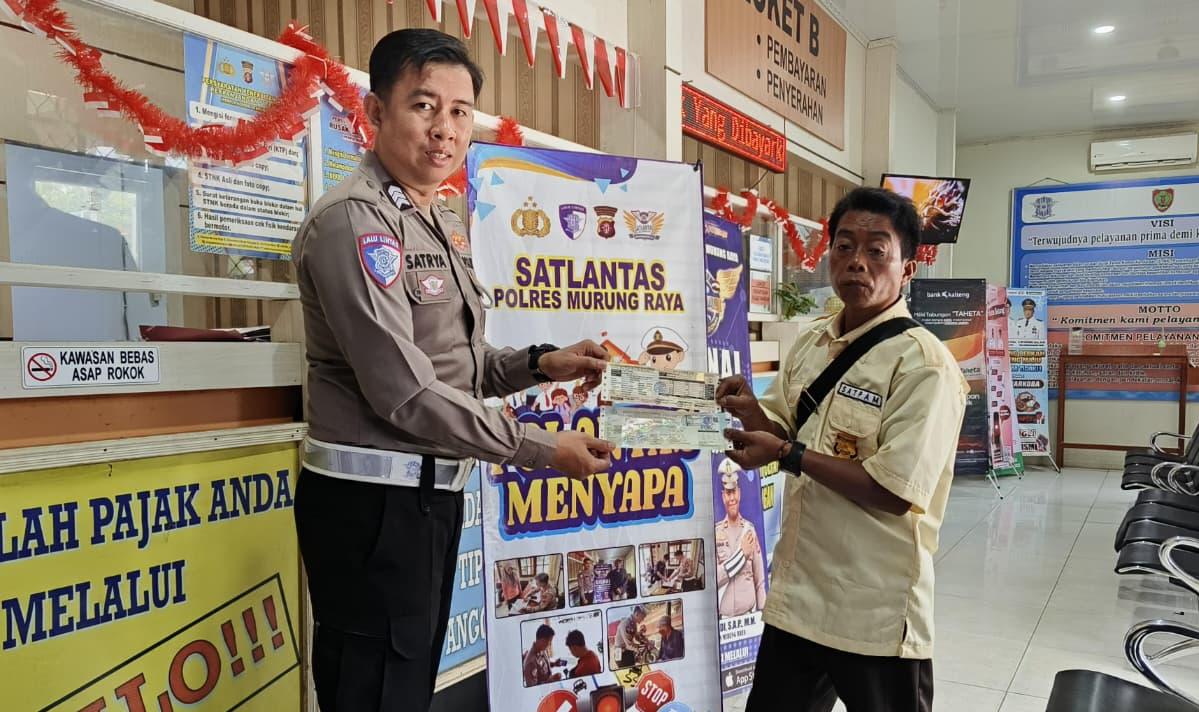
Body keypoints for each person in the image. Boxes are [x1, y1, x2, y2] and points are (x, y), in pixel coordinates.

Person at [291, 29, 615, 712]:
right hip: (372, 510)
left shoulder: (438, 220)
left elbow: (456, 364)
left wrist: (541, 364)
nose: (445, 129)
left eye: (460, 111)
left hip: (424, 502)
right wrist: (541, 448)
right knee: (375, 694)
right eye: (424, 106)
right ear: (376, 112)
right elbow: (405, 392)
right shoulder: (356, 222)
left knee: (403, 690)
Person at [718, 187, 968, 712]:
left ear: (908, 268)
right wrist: (749, 411)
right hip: (798, 599)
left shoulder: (924, 366)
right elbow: (783, 428)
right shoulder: (812, 342)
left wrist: (787, 454)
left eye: (877, 250)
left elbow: (894, 491)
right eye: (845, 245)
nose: (857, 262)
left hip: (873, 610)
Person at [714, 461, 767, 616]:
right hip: (724, 619)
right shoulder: (715, 533)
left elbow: (760, 580)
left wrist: (762, 614)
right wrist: (742, 554)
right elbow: (714, 579)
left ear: (739, 493)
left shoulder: (749, 530)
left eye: (734, 492)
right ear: (723, 496)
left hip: (749, 615)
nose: (732, 498)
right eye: (728, 493)